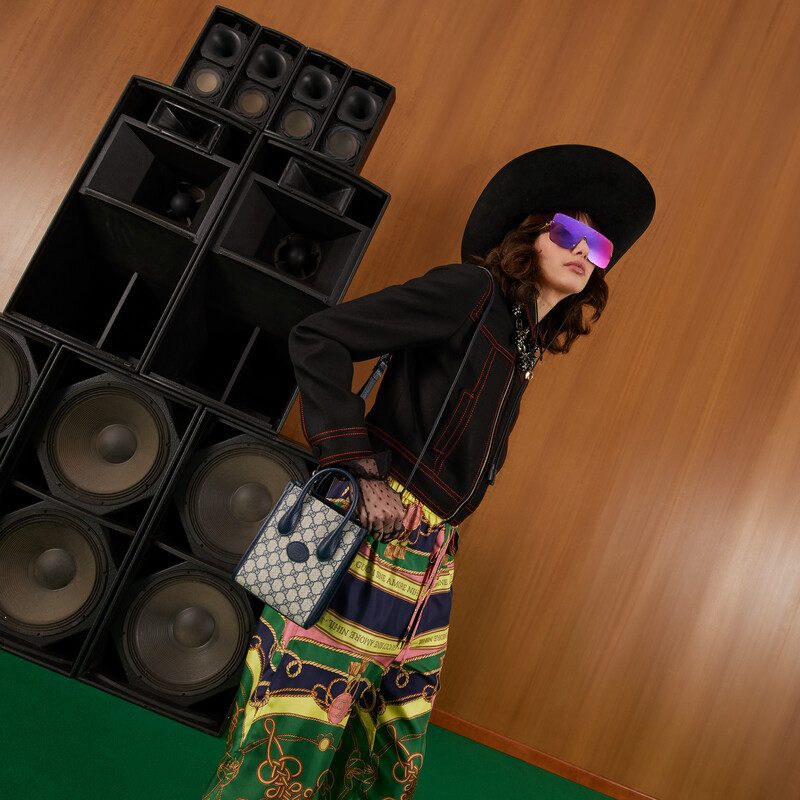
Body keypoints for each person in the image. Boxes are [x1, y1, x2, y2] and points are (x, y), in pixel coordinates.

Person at [203, 144, 655, 800]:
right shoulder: (471, 291)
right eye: (567, 233)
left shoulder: (522, 344)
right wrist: (359, 470)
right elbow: (320, 337)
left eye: (599, 246)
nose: (584, 251)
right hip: (370, 533)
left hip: (430, 557)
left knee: (382, 750)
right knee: (295, 728)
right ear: (527, 236)